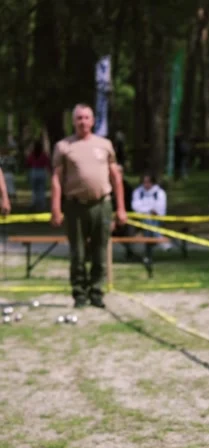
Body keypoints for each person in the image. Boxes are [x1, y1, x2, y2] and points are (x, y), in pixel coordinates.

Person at [51, 103, 126, 308]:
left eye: (86, 118)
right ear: (73, 122)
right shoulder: (64, 146)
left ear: (92, 121)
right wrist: (56, 208)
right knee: (78, 253)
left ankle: (96, 291)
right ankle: (79, 293)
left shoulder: (104, 145)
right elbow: (56, 179)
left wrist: (121, 208)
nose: (83, 122)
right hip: (75, 206)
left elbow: (116, 177)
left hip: (102, 204)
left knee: (100, 251)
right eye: (79, 118)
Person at [131, 173, 168, 263]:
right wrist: (149, 210)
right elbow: (135, 207)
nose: (146, 184)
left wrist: (147, 210)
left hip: (157, 220)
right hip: (141, 220)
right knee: (147, 221)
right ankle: (159, 239)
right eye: (144, 182)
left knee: (149, 225)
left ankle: (148, 256)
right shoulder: (138, 192)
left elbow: (160, 208)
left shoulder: (159, 193)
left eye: (148, 182)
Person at [27, 140, 51, 211]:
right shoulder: (43, 155)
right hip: (42, 171)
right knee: (41, 190)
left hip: (34, 171)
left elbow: (28, 163)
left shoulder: (32, 154)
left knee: (34, 190)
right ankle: (42, 205)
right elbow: (47, 163)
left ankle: (34, 203)